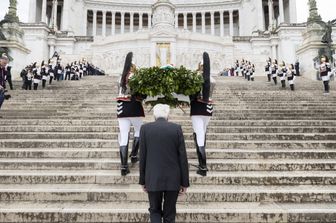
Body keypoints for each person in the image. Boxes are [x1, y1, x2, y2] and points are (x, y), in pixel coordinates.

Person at [139, 104, 189, 223]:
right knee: (169, 213)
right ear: (168, 115)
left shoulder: (145, 129)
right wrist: (184, 182)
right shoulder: (176, 128)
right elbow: (182, 157)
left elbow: (143, 156)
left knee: (154, 210)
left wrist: (142, 180)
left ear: (154, 115)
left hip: (153, 177)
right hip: (173, 179)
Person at [117, 52, 145, 176]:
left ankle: (124, 166)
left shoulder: (120, 77)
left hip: (122, 108)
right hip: (134, 107)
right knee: (139, 131)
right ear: (133, 66)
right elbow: (140, 93)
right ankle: (134, 154)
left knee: (124, 136)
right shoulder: (135, 77)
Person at [190, 52, 214, 177]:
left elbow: (192, 94)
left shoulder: (196, 77)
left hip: (197, 109)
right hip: (208, 109)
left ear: (200, 65)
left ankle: (203, 166)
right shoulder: (212, 79)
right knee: (202, 133)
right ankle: (202, 164)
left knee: (199, 135)